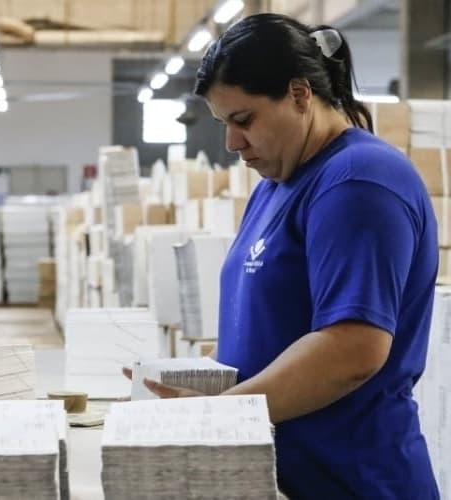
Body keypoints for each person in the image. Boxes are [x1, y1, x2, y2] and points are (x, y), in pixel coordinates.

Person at [125, 13, 439, 499]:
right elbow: (267, 330)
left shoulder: (359, 181)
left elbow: (352, 349)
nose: (232, 144)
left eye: (243, 120)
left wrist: (220, 413)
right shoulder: (278, 184)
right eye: (223, 124)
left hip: (353, 481)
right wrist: (194, 383)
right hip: (289, 478)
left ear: (299, 94)